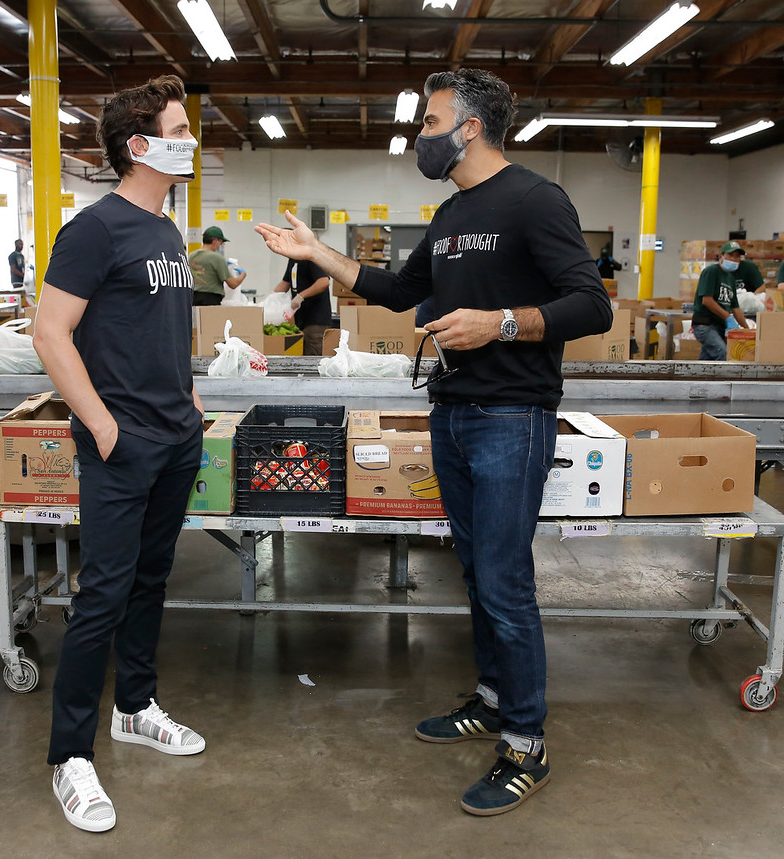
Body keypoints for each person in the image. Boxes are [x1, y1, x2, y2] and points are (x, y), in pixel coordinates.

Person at [256, 68, 612, 817]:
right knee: (478, 571)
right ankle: (491, 697)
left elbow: (591, 303)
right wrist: (319, 255)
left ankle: (526, 743)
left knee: (507, 582)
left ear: (471, 127)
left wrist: (501, 323)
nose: (420, 134)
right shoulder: (451, 213)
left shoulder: (536, 199)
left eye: (429, 121)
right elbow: (392, 288)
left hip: (511, 417)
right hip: (451, 412)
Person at [32, 74, 206, 834]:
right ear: (139, 146)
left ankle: (134, 708)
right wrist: (102, 425)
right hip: (123, 442)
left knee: (150, 580)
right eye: (178, 127)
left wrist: (192, 393)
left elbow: (167, 328)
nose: (191, 138)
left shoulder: (167, 230)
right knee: (102, 592)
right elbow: (49, 331)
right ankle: (70, 755)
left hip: (175, 438)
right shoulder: (95, 228)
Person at [691, 241, 750, 361]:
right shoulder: (711, 272)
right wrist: (728, 318)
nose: (734, 259)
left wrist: (748, 330)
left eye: (737, 256)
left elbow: (735, 307)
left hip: (719, 328)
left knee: (706, 363)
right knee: (723, 355)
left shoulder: (731, 278)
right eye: (730, 255)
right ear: (721, 256)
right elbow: (707, 300)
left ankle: (696, 379)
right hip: (705, 325)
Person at [273, 257, 330, 354]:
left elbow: (324, 282)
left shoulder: (311, 257)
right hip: (299, 319)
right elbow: (286, 282)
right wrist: (272, 297)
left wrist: (301, 296)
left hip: (315, 320)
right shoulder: (293, 259)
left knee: (312, 357)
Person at [187, 226, 246, 306]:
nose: (221, 245)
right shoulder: (217, 258)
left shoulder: (191, 256)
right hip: (210, 300)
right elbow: (233, 284)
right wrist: (243, 274)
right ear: (215, 241)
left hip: (192, 299)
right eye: (221, 242)